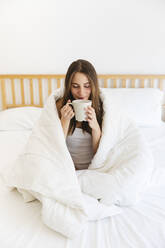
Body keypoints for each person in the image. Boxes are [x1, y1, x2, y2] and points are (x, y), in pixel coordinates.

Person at [56, 59, 104, 170]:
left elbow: (100, 154)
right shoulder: (60, 106)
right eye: (76, 86)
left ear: (93, 85)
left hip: (94, 170)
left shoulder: (102, 107)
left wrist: (95, 128)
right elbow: (55, 148)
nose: (81, 93)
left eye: (87, 86)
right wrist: (65, 121)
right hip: (66, 169)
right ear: (69, 86)